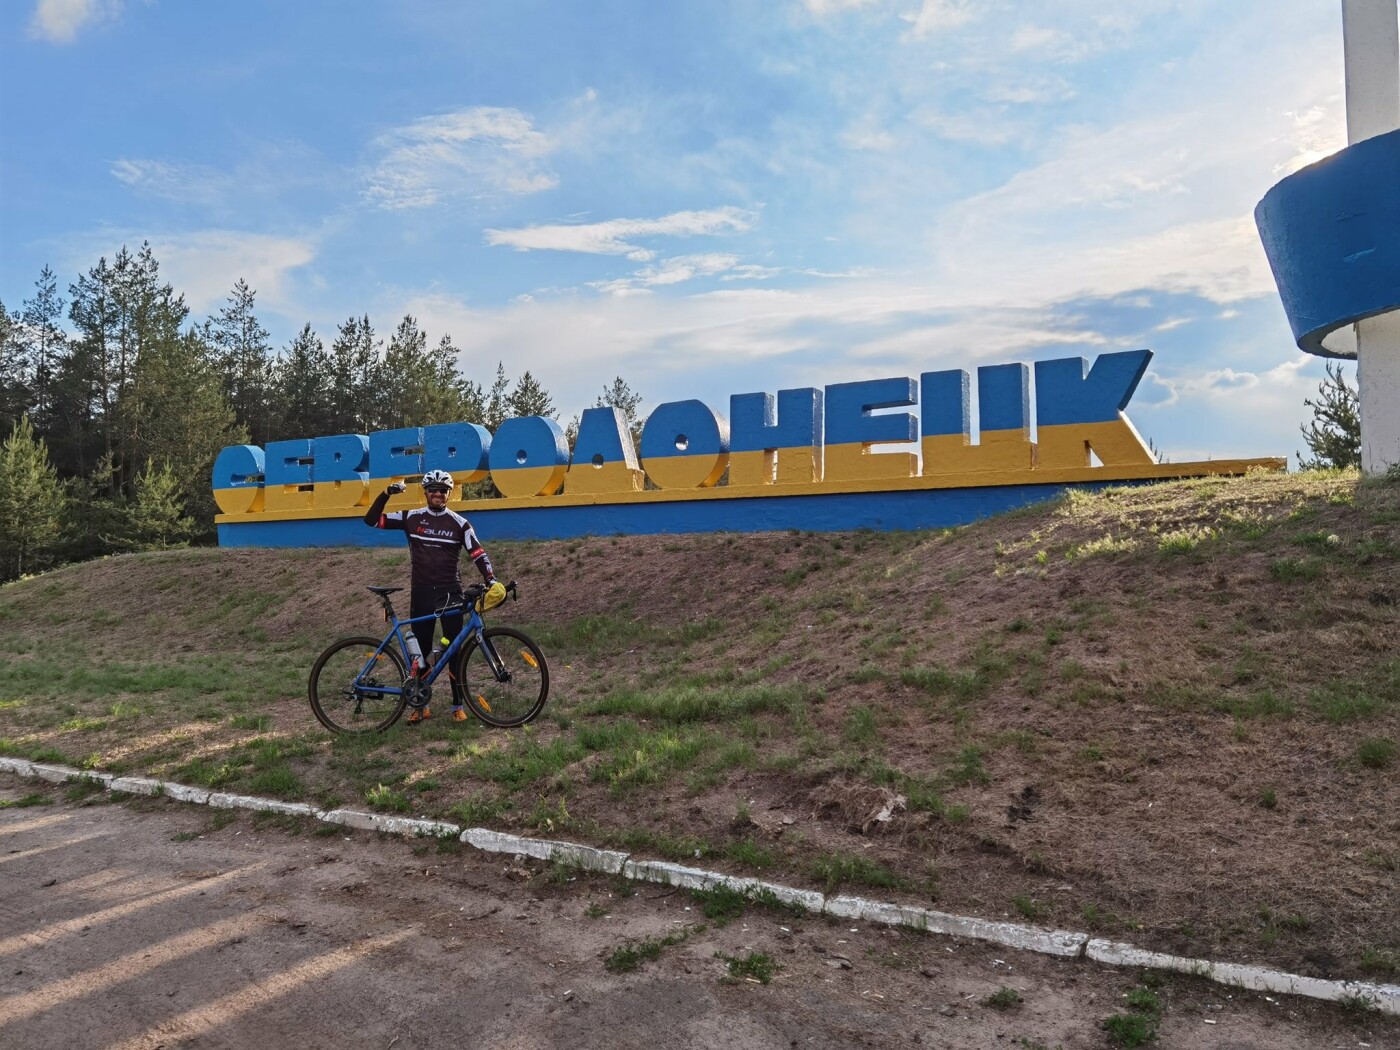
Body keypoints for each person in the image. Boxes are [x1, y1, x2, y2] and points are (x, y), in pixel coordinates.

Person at [363, 469, 500, 723]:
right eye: (433, 489)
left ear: (449, 493)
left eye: (442, 490)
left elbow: (478, 553)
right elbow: (371, 520)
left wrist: (491, 579)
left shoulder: (460, 523)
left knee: (453, 651)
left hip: (451, 594)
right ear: (425, 492)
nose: (438, 493)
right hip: (422, 594)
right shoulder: (411, 518)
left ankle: (457, 705)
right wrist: (385, 494)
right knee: (421, 653)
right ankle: (420, 705)